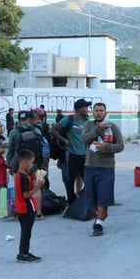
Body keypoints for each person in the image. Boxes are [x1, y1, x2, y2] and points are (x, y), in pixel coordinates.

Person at [82, 103, 125, 237]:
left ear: (106, 112)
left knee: (103, 197)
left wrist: (106, 147)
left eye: (101, 111)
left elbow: (120, 146)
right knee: (91, 198)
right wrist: (98, 129)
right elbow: (84, 139)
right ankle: (100, 215)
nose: (99, 113)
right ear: (92, 112)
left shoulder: (113, 127)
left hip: (106, 167)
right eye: (96, 110)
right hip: (90, 166)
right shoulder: (88, 125)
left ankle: (99, 223)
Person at [7, 110, 45, 218]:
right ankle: (38, 212)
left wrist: (9, 164)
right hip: (34, 162)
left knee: (20, 188)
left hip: (19, 164)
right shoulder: (37, 131)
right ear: (30, 119)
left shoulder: (14, 132)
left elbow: (10, 150)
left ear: (19, 120)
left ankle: (22, 211)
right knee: (35, 186)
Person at [51, 98, 90, 204]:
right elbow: (52, 130)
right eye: (85, 107)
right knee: (69, 181)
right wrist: (64, 140)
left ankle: (83, 199)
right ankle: (71, 203)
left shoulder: (87, 121)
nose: (87, 109)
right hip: (70, 155)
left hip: (84, 156)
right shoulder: (68, 120)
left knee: (88, 181)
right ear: (79, 109)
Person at [14, 148, 45, 263]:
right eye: (31, 162)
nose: (32, 165)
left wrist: (33, 179)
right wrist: (39, 186)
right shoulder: (23, 177)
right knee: (27, 232)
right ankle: (24, 254)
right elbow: (26, 194)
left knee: (25, 231)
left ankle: (24, 251)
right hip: (26, 207)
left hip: (22, 207)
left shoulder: (20, 174)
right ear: (23, 162)